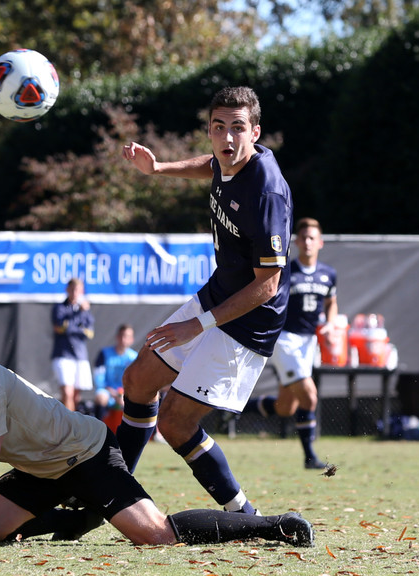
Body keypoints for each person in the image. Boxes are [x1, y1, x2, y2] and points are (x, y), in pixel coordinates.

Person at [0, 286, 314, 549]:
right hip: (38, 468)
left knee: (157, 537)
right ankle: (76, 517)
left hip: (86, 453)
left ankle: (269, 525)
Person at [118, 86, 291, 516]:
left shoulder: (266, 192)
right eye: (218, 127)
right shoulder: (227, 159)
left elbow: (268, 285)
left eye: (238, 128)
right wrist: (158, 168)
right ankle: (114, 488)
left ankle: (246, 516)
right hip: (217, 294)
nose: (227, 138)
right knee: (137, 380)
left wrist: (196, 325)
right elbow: (212, 165)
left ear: (255, 132)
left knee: (175, 422)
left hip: (250, 320)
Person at [242, 217, 336, 469]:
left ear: (320, 242)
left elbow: (331, 302)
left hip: (308, 343)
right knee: (309, 397)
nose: (307, 242)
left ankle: (236, 409)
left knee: (286, 407)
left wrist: (330, 324)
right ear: (296, 242)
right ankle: (310, 457)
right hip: (285, 340)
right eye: (303, 238)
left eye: (312, 238)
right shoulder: (286, 270)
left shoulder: (328, 274)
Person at [51, 278, 95, 412]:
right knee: (67, 392)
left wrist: (72, 325)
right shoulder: (59, 308)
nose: (75, 293)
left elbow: (89, 333)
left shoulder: (86, 310)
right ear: (67, 290)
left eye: (78, 290)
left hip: (80, 356)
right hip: (63, 355)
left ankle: (73, 422)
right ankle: (67, 422)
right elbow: (60, 328)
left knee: (76, 396)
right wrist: (78, 318)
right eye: (72, 289)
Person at [92, 324, 137, 427]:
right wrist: (112, 392)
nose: (123, 339)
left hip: (126, 394)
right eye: (121, 335)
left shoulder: (134, 357)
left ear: (132, 340)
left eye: (127, 336)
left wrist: (124, 394)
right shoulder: (104, 353)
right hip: (107, 392)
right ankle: (97, 429)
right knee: (100, 397)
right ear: (117, 337)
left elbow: (136, 381)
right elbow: (99, 377)